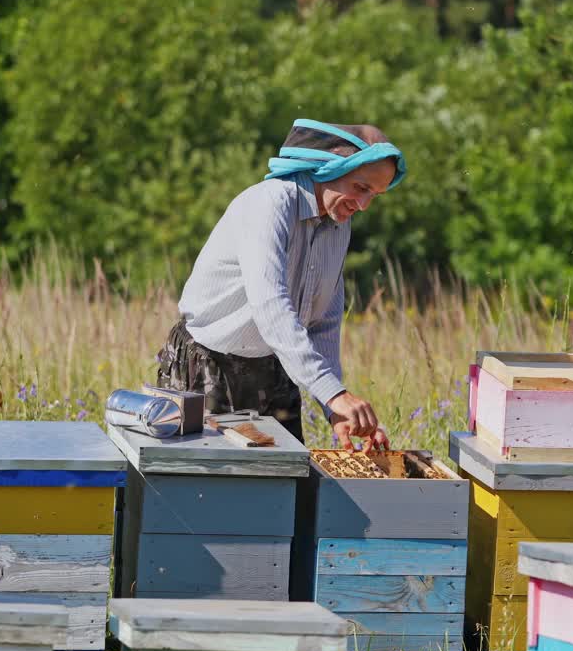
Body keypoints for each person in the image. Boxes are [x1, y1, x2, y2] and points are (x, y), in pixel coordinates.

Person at [156, 118, 407, 451]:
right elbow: (271, 306)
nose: (363, 205)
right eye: (361, 188)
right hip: (207, 366)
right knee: (208, 493)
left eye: (374, 195)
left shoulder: (338, 224)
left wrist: (334, 408)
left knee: (286, 493)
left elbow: (324, 326)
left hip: (276, 368)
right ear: (328, 168)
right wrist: (334, 393)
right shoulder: (269, 204)